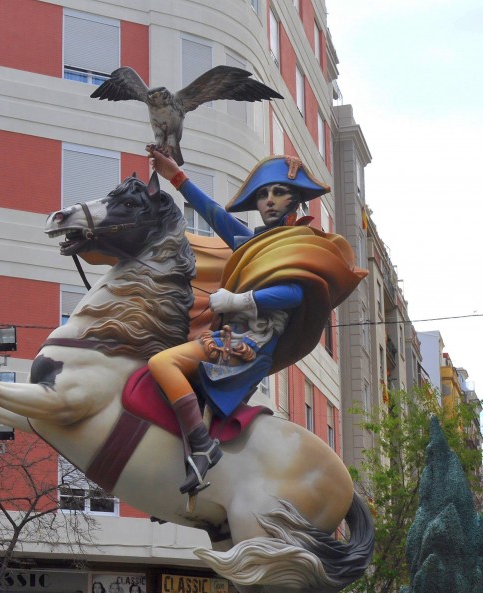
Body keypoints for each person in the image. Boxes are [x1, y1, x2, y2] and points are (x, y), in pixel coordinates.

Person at [146, 149, 365, 494]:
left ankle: (202, 449)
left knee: (162, 363)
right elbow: (215, 215)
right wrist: (177, 177)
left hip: (251, 345)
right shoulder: (257, 242)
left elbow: (294, 293)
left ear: (295, 200)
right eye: (263, 194)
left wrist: (239, 300)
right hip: (229, 337)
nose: (269, 201)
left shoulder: (301, 243)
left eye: (278, 192)